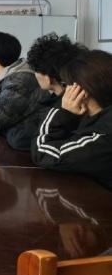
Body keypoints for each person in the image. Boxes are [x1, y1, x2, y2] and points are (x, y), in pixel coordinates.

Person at [31, 50, 112, 190]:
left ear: (81, 91)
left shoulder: (104, 136)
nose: (65, 90)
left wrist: (64, 112)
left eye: (66, 84)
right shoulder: (99, 118)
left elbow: (42, 151)